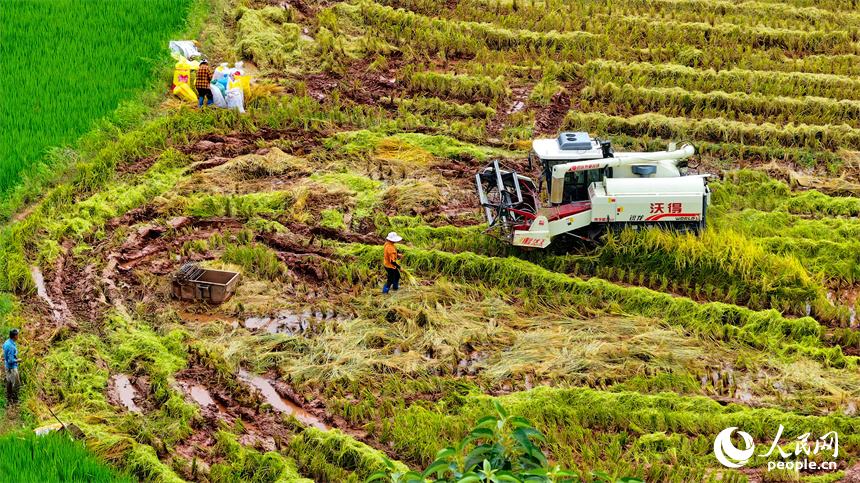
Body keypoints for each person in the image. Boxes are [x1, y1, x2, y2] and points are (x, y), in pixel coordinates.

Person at [4, 329, 22, 405]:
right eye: (17, 334)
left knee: (9, 382)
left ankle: (9, 397)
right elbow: (10, 360)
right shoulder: (11, 347)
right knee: (16, 384)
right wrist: (17, 360)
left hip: (7, 367)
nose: (18, 335)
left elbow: (4, 348)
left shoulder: (7, 342)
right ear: (15, 336)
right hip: (12, 367)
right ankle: (14, 400)